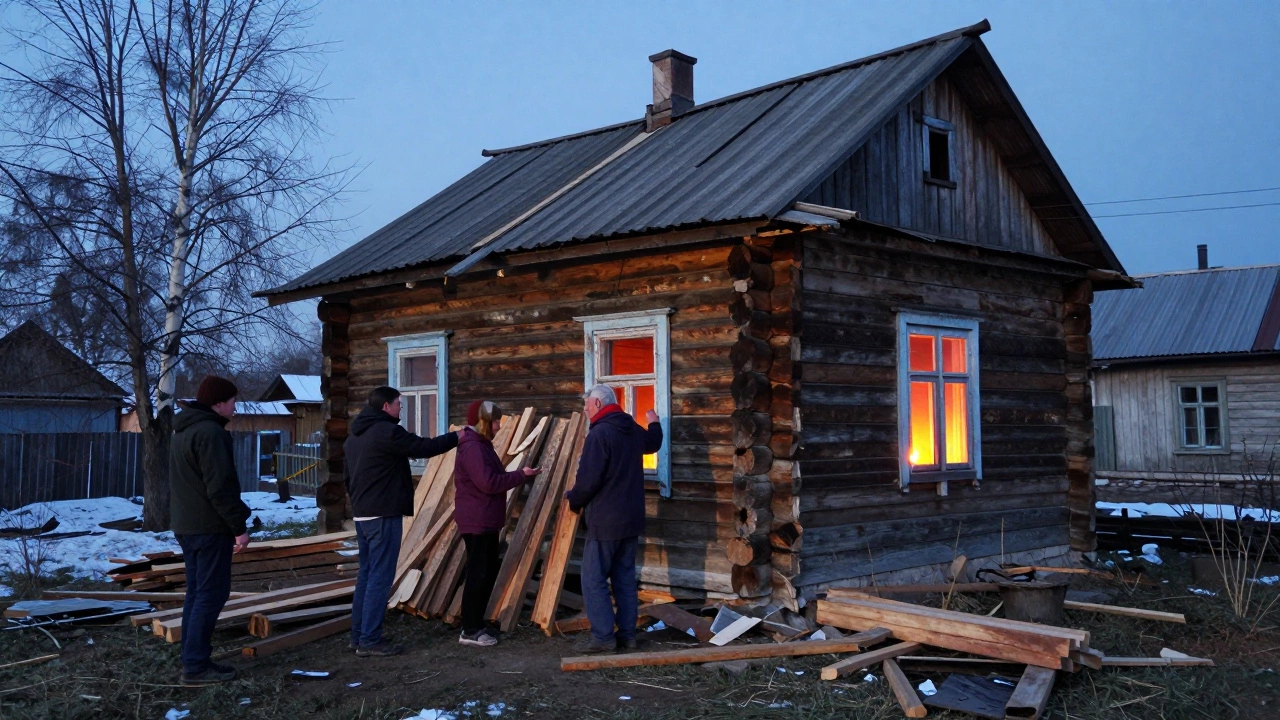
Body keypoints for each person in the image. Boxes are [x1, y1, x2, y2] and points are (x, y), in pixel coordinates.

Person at [344, 386, 459, 657]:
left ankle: (358, 636)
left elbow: (348, 477)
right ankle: (370, 640)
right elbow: (423, 447)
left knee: (367, 574)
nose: (400, 409)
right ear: (386, 406)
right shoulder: (386, 432)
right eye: (398, 404)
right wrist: (457, 436)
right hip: (382, 513)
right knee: (380, 578)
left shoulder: (354, 436)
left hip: (363, 513)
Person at [564, 384, 663, 653]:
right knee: (624, 578)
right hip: (631, 518)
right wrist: (654, 423)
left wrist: (573, 499)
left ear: (597, 404)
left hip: (605, 521)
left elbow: (588, 481)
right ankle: (628, 636)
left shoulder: (599, 435)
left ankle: (603, 639)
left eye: (586, 405)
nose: (584, 410)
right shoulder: (629, 428)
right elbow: (652, 444)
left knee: (593, 579)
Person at [170, 375, 252, 685]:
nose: (235, 407)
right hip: (208, 526)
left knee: (197, 592)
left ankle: (193, 659)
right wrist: (238, 527)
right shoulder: (211, 434)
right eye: (232, 401)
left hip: (187, 525)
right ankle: (195, 666)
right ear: (218, 403)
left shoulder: (184, 431)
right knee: (211, 594)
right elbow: (220, 488)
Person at [452, 400, 540, 647]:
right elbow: (489, 483)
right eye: (495, 421)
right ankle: (470, 630)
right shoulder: (473, 449)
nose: (499, 426)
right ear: (483, 422)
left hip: (483, 518)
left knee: (485, 571)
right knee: (479, 573)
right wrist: (521, 475)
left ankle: (476, 623)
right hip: (478, 520)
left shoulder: (480, 446)